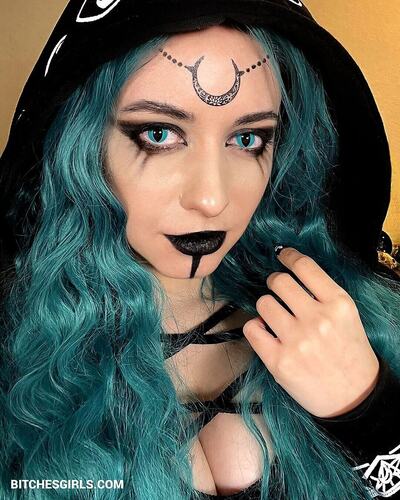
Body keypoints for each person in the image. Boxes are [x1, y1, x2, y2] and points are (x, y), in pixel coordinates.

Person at [0, 1, 399, 499]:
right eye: (159, 135)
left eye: (248, 138)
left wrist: (367, 412)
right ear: (78, 142)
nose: (211, 199)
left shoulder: (364, 312)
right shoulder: (14, 348)